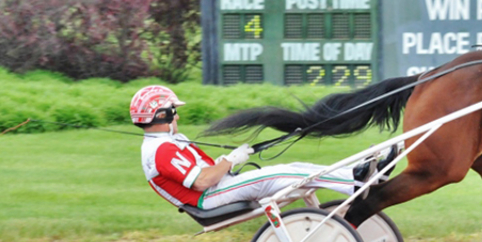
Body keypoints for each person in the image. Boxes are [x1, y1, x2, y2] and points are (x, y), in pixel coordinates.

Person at [130, 85, 398, 211]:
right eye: (173, 111)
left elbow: (208, 174)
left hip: (219, 188)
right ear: (161, 115)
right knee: (288, 174)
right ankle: (354, 183)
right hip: (211, 197)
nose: (177, 116)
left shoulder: (167, 143)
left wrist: (228, 161)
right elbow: (202, 181)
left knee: (295, 168)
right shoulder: (161, 150)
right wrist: (231, 160)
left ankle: (355, 174)